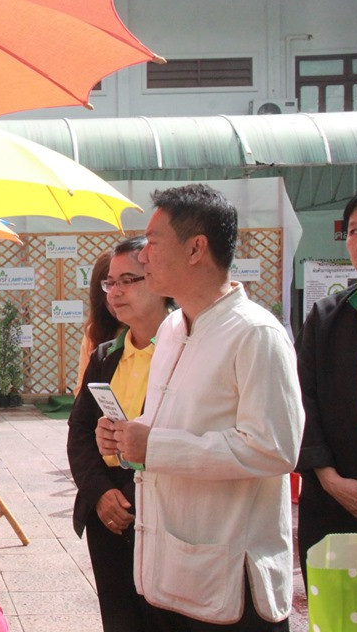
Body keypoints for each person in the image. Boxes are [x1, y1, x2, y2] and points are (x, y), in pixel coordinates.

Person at [96, 184, 303, 631]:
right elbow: (166, 426)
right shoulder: (171, 327)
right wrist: (128, 437)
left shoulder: (255, 334)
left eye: (152, 243)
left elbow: (275, 449)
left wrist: (156, 446)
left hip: (230, 584)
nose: (143, 256)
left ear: (196, 249)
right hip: (168, 573)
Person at [68, 237, 171, 632]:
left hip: (156, 507)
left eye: (129, 279)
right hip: (105, 511)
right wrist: (99, 493)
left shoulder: (184, 353)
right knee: (118, 617)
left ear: (159, 280)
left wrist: (127, 499)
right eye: (110, 283)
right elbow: (79, 431)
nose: (116, 291)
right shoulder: (106, 355)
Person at [296, 188, 357, 587]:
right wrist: (327, 478)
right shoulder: (326, 318)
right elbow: (301, 400)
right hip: (334, 494)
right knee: (340, 612)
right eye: (355, 231)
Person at [74, 250, 123, 393]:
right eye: (108, 286)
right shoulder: (95, 332)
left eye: (126, 282)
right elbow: (82, 389)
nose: (114, 295)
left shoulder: (164, 331)